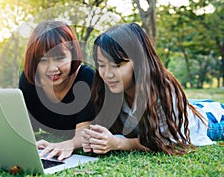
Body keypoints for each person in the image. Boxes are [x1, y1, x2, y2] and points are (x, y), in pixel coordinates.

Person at [82, 22, 224, 155]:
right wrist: (94, 140)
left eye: (116, 65)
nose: (107, 74)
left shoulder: (162, 90)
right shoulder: (107, 90)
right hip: (190, 106)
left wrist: (119, 143)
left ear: (139, 61)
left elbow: (165, 141)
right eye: (101, 65)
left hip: (211, 121)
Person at [18, 20, 95, 160]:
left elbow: (85, 131)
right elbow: (23, 124)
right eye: (43, 60)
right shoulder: (29, 81)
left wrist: (69, 144)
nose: (52, 68)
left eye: (60, 58)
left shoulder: (86, 78)